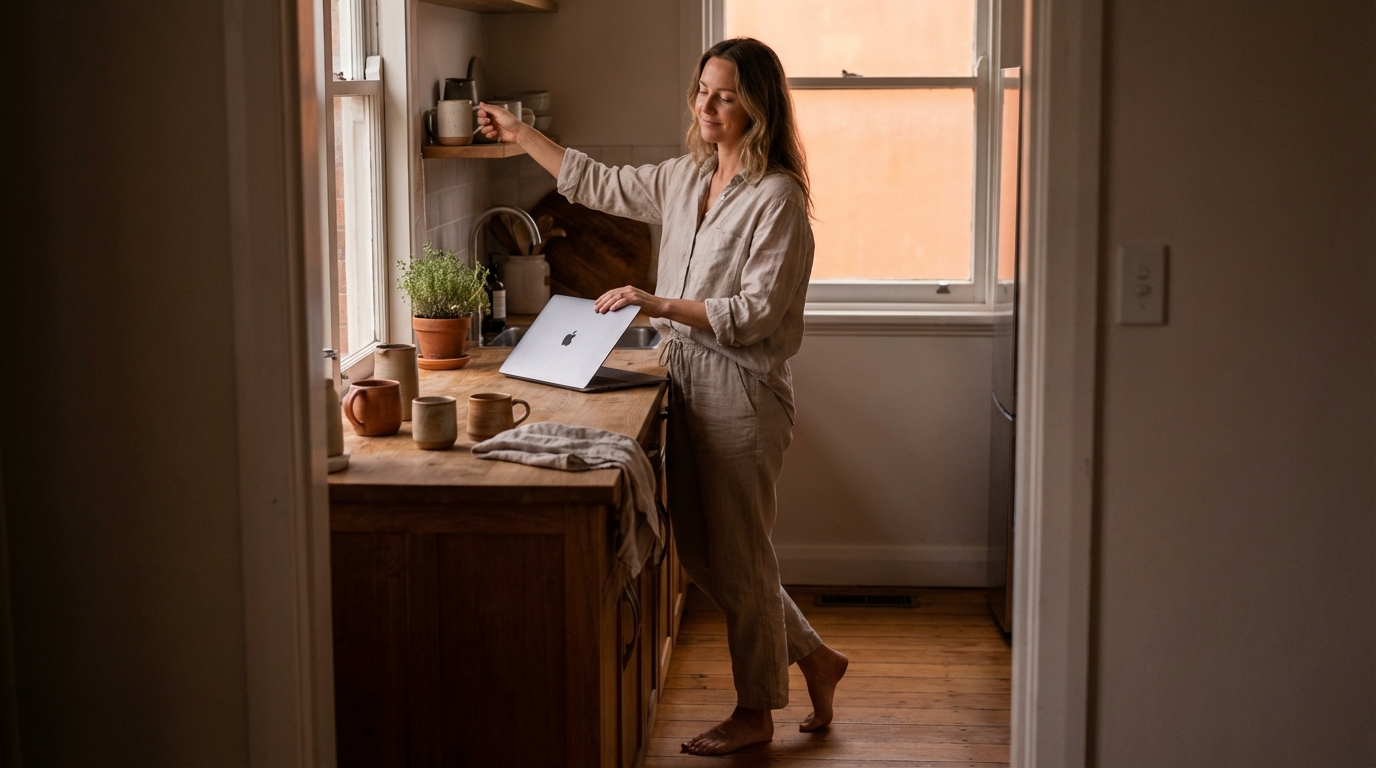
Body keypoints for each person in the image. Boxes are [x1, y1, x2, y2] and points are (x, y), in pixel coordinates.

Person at [477, 37, 849, 757]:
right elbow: (598, 183)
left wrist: (657, 304)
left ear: (758, 105)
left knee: (740, 557)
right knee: (709, 556)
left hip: (743, 393)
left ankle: (755, 711)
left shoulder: (778, 200)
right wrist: (522, 134)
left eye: (725, 95)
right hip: (687, 377)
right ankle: (814, 658)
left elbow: (754, 312)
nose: (705, 106)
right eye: (702, 90)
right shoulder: (688, 177)